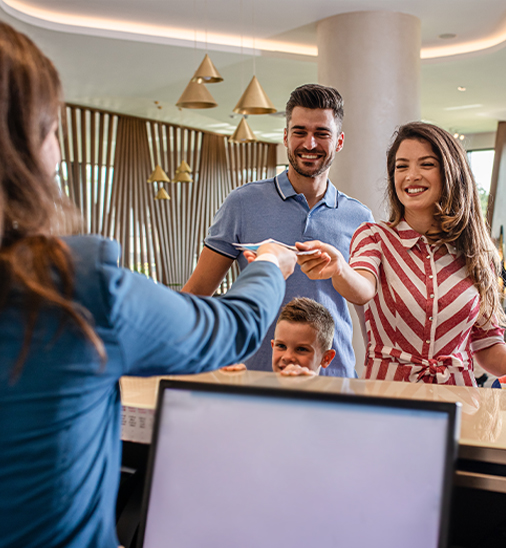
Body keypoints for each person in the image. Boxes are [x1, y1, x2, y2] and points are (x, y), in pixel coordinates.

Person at [0, 22, 297, 548]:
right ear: (26, 144)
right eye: (53, 130)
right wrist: (270, 264)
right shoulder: (75, 284)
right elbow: (235, 325)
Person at [182, 84, 374, 377]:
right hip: (253, 376)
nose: (309, 144)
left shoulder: (359, 217)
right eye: (299, 132)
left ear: (339, 141)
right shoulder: (243, 203)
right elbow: (197, 292)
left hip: (334, 378)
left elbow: (367, 306)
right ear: (285, 136)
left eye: (322, 133)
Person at [297, 121, 506, 386]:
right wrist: (339, 268)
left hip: (460, 405)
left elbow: (488, 347)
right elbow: (362, 289)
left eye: (426, 164)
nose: (411, 175)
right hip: (390, 403)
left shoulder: (477, 253)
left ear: (451, 173)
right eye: (402, 166)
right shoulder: (374, 236)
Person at [222, 297, 336, 376]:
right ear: (273, 345)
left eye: (301, 349)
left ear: (326, 358)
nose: (287, 357)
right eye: (281, 346)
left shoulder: (333, 403)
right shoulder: (262, 396)